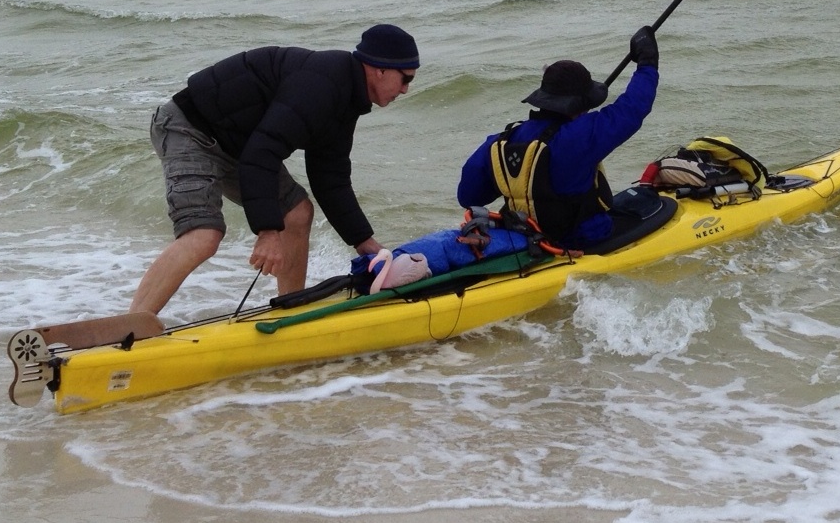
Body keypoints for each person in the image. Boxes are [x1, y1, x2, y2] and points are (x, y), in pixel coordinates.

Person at [129, 24, 420, 315]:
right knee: (204, 235)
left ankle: (290, 310)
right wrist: (267, 232)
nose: (406, 89)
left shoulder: (346, 98)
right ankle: (132, 325)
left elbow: (330, 179)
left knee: (297, 213)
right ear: (379, 69)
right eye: (404, 79)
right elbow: (263, 153)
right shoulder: (321, 84)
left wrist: (363, 242)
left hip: (237, 144)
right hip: (190, 130)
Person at [456, 26, 659, 251]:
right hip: (584, 239)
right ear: (579, 104)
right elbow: (632, 108)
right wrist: (647, 63)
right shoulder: (579, 137)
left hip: (529, 237)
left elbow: (468, 196)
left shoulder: (500, 142)